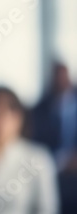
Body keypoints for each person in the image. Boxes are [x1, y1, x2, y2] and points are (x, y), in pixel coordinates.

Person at [32, 62, 77, 213]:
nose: (60, 80)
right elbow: (37, 144)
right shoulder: (40, 108)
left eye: (63, 75)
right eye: (57, 76)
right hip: (51, 166)